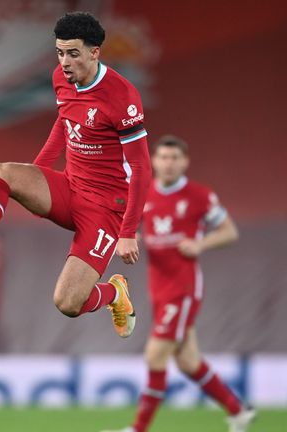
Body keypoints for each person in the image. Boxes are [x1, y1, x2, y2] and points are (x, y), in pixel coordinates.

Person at [0, 12, 151, 338]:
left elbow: (141, 167)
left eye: (73, 53)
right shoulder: (61, 78)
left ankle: (115, 293)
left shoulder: (122, 97)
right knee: (2, 173)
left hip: (106, 210)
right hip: (69, 188)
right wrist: (39, 170)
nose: (64, 62)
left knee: (68, 302)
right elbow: (64, 121)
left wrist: (128, 231)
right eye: (59, 52)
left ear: (95, 52)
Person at [103, 135, 255, 432]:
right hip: (157, 287)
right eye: (163, 157)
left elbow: (229, 232)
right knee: (187, 362)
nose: (168, 163)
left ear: (185, 162)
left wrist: (201, 243)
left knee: (155, 354)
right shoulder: (143, 195)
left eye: (175, 158)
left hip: (183, 289)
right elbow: (135, 232)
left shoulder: (199, 196)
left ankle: (138, 429)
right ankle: (239, 411)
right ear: (154, 161)